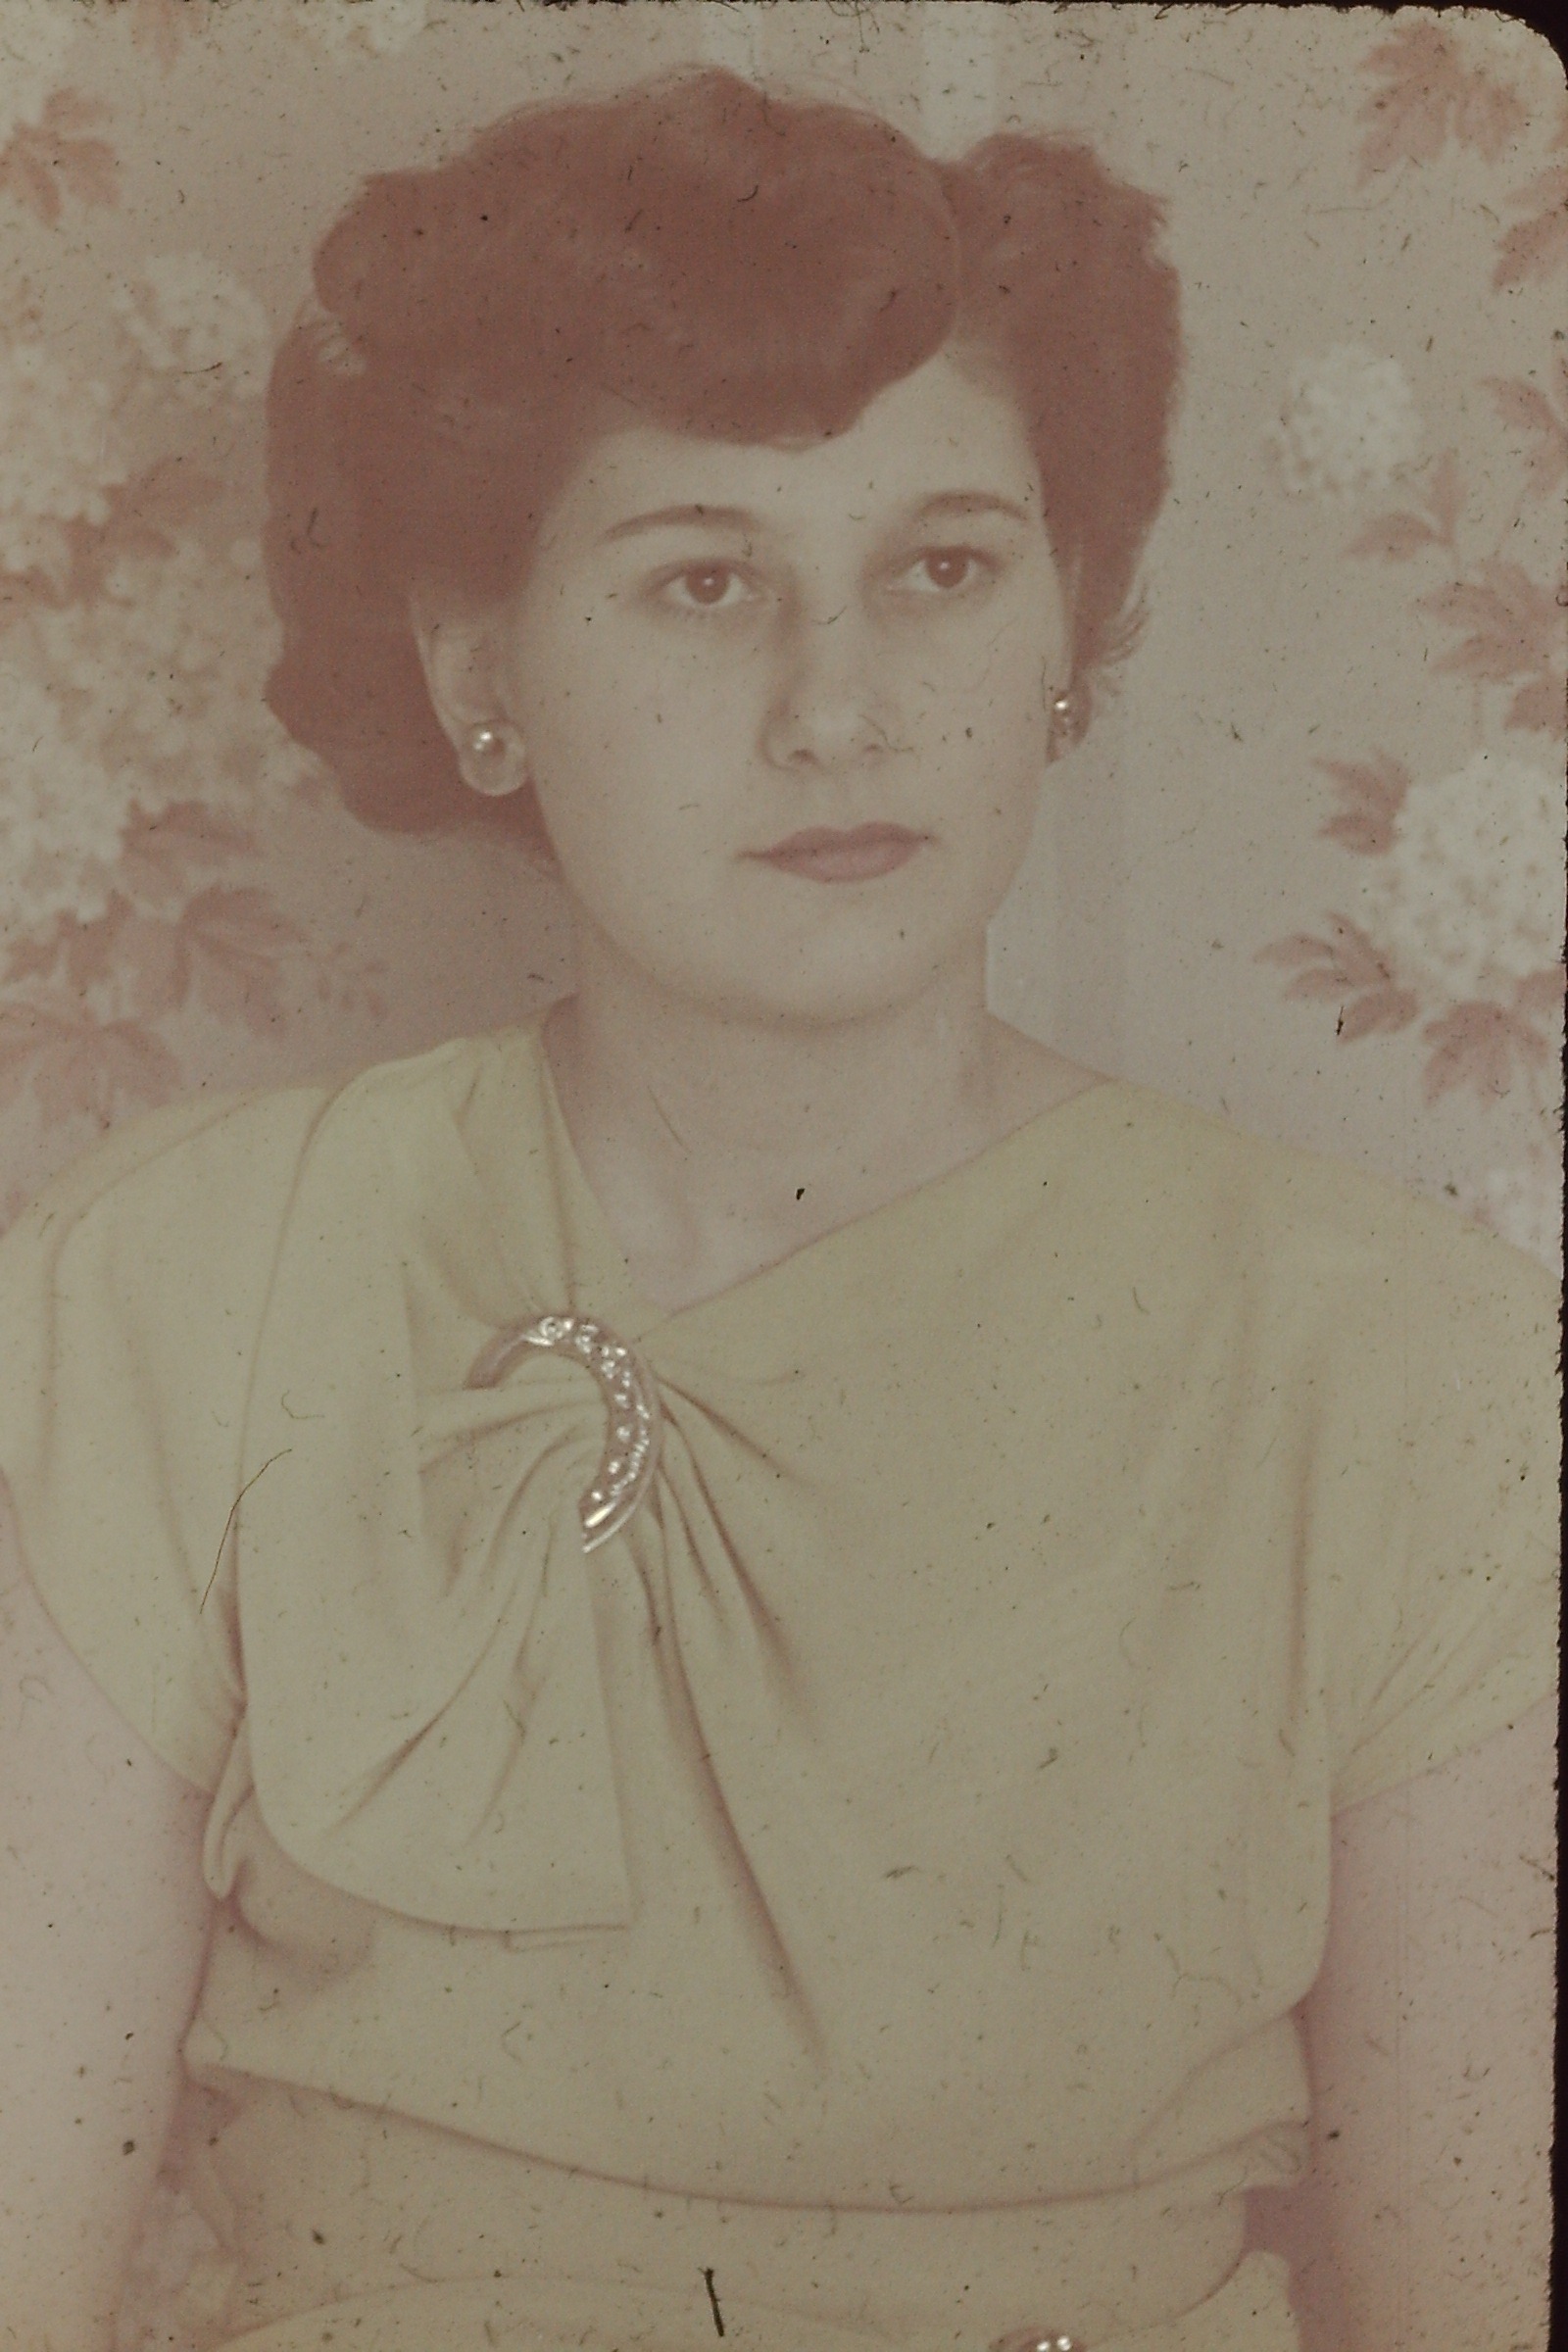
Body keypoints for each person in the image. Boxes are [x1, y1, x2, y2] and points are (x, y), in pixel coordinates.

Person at [0, 65, 1556, 2352]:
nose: (842, 708)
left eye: (942, 568)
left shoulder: (1398, 1358)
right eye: (701, 580)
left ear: (1065, 630)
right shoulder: (177, 1288)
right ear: (474, 666)